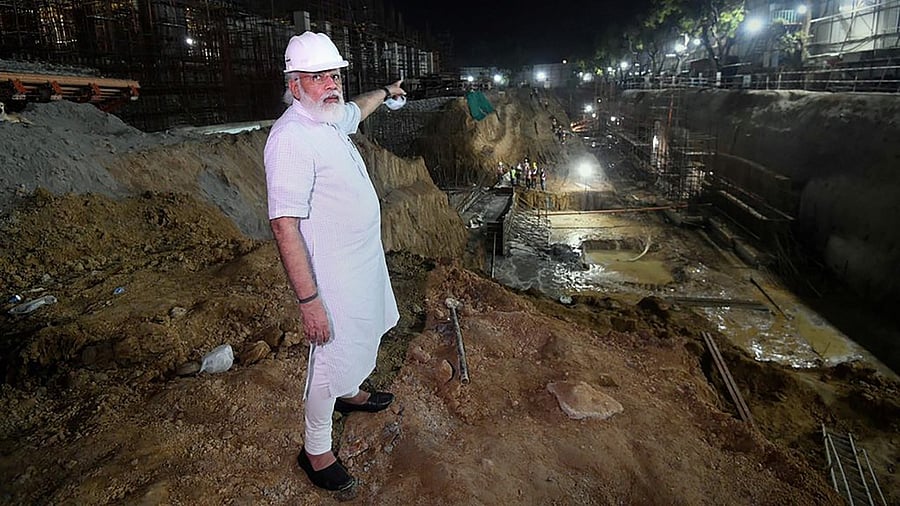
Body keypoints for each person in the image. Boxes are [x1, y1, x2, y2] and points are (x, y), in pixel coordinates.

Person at [264, 31, 406, 493]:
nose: (330, 83)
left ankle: (351, 392)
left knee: (366, 329)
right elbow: (284, 226)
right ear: (294, 83)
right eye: (316, 76)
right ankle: (316, 451)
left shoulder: (326, 117)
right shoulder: (290, 139)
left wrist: (386, 93)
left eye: (333, 74)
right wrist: (309, 302)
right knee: (331, 355)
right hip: (331, 277)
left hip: (362, 260)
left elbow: (355, 110)